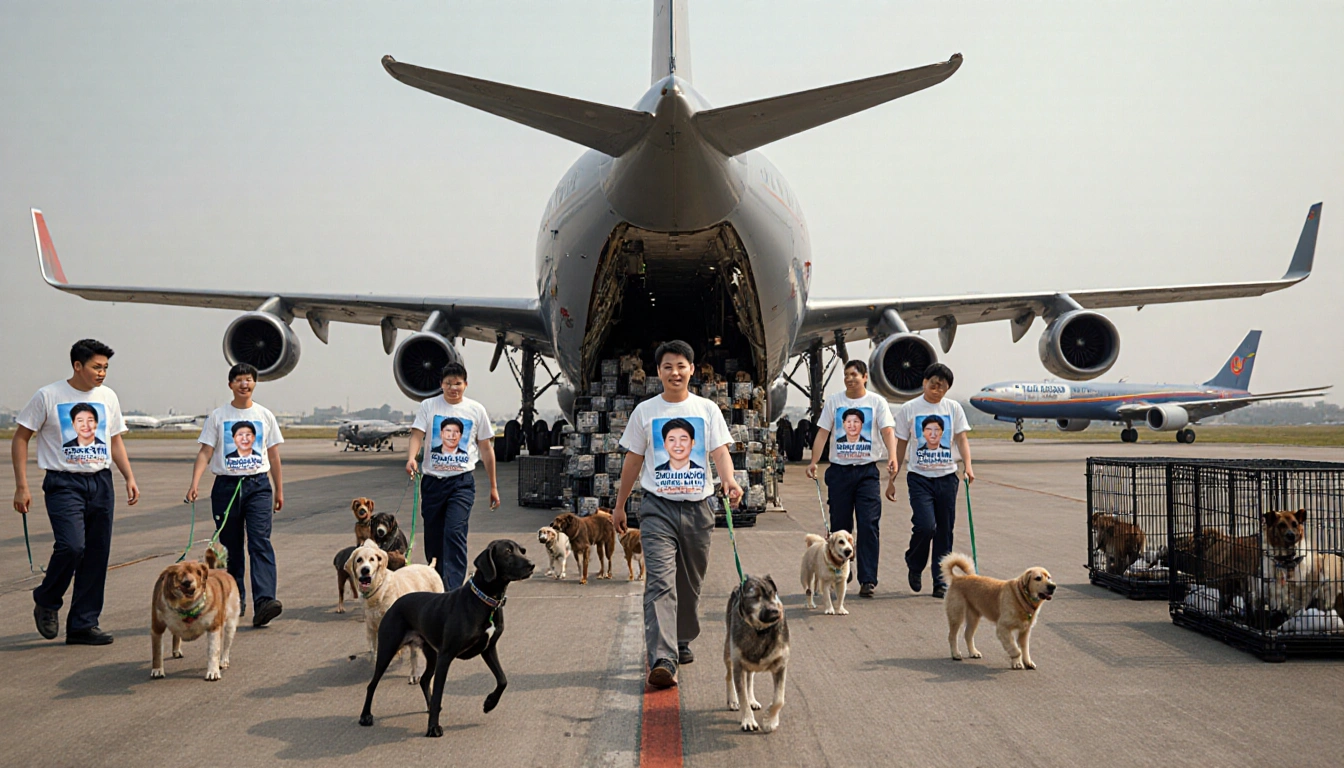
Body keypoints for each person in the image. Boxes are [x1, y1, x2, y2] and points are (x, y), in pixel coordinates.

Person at [614, 340, 742, 689]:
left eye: (681, 365)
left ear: (692, 370)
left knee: (690, 583)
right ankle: (662, 658)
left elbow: (719, 452)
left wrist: (729, 480)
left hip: (699, 508)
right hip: (657, 508)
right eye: (668, 366)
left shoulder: (707, 410)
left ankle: (681, 637)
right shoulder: (645, 412)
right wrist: (620, 503)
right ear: (658, 372)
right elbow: (634, 460)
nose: (675, 372)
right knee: (658, 582)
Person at [13, 338, 139, 645]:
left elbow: (115, 440)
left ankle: (83, 623)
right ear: (77, 366)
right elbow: (20, 438)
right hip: (63, 483)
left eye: (106, 368)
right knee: (72, 546)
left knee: (97, 555)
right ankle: (47, 597)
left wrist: (128, 477)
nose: (102, 373)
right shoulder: (49, 396)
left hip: (101, 482)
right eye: (96, 367)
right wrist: (21, 485)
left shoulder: (108, 396)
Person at [186, 363, 285, 626]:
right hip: (226, 488)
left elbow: (273, 455)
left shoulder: (265, 415)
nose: (244, 384)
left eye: (249, 379)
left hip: (258, 487)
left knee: (259, 541)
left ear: (255, 384)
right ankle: (235, 598)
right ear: (230, 384)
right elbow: (205, 452)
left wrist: (278, 489)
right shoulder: (218, 416)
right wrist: (195, 483)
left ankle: (264, 601)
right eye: (239, 380)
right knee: (231, 548)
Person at [806, 360, 897, 599]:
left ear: (865, 377)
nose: (850, 378)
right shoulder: (835, 402)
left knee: (868, 524)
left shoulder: (877, 402)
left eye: (855, 374)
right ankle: (840, 571)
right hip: (840, 472)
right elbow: (823, 432)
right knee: (840, 526)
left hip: (867, 473)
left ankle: (868, 579)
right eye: (846, 375)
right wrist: (814, 460)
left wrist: (893, 457)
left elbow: (888, 430)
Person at [406, 361, 500, 590]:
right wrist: (411, 457)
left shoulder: (476, 410)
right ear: (441, 385)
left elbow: (486, 449)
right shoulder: (429, 406)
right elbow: (417, 435)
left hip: (461, 483)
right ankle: (437, 583)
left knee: (455, 531)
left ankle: (454, 589)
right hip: (432, 483)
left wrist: (493, 486)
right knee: (434, 538)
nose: (453, 388)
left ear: (465, 384)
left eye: (457, 383)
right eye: (448, 383)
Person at [886, 363, 974, 599]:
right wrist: (892, 477)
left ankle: (940, 580)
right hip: (919, 477)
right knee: (926, 526)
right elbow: (901, 442)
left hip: (947, 476)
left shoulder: (953, 408)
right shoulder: (909, 409)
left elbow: (961, 438)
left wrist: (968, 466)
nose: (937, 390)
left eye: (943, 387)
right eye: (933, 384)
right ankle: (914, 564)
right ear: (924, 382)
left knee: (945, 531)